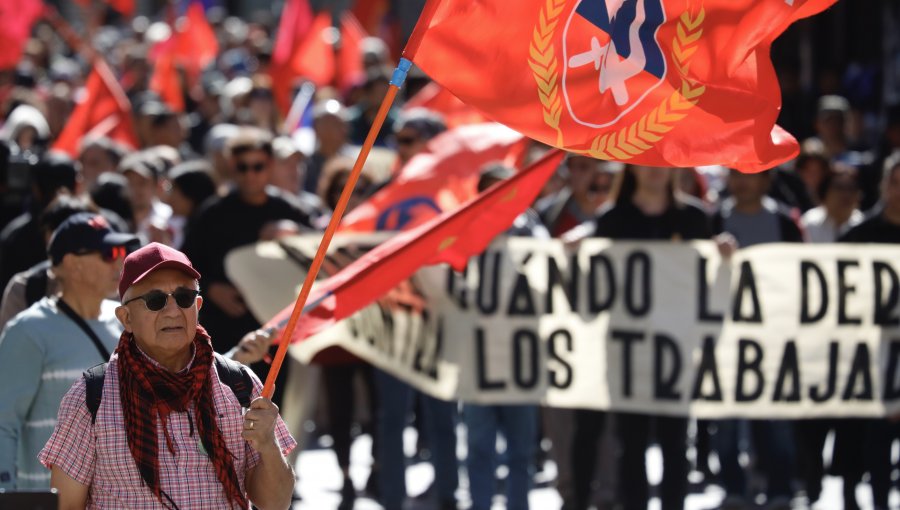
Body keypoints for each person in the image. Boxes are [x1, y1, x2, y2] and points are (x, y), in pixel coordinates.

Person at [39, 242, 296, 509]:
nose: (173, 311)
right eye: (155, 300)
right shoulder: (90, 397)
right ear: (125, 318)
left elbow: (276, 503)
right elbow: (65, 506)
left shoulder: (240, 385)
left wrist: (268, 445)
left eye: (183, 298)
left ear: (197, 306)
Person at [592, 165, 718, 510]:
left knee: (675, 443)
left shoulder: (693, 218)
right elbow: (596, 289)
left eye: (663, 161)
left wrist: (723, 259)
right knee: (630, 445)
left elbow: (708, 284)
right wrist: (579, 254)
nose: (655, 169)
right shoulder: (612, 220)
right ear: (631, 166)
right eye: (647, 159)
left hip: (675, 349)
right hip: (627, 352)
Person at [0, 213, 136, 490]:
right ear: (73, 264)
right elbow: (3, 423)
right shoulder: (28, 330)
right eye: (109, 253)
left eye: (122, 251)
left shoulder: (126, 319)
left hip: (117, 498)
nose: (120, 261)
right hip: (49, 499)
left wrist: (236, 357)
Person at [712, 169, 803, 509]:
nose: (742, 182)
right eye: (736, 175)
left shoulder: (785, 223)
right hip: (725, 340)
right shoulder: (714, 220)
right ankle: (733, 487)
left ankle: (780, 486)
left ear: (767, 181)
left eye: (751, 175)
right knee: (727, 423)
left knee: (778, 421)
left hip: (775, 339)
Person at [463, 163, 547, 510]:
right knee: (479, 446)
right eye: (491, 190)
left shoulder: (533, 233)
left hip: (520, 359)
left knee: (519, 450)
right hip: (477, 358)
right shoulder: (463, 233)